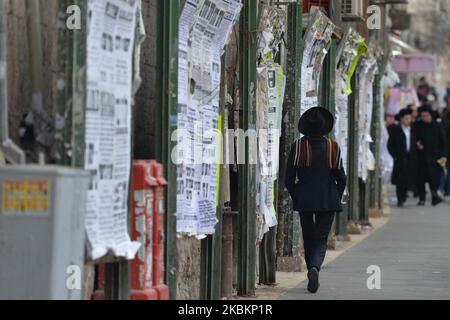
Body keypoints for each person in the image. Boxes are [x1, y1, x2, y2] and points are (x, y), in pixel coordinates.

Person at [285, 107, 347, 294]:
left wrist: (297, 195)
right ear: (325, 127)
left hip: (304, 197)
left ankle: (311, 266)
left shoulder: (298, 146)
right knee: (321, 237)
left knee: (308, 233)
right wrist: (335, 194)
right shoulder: (332, 147)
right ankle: (315, 267)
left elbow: (289, 178)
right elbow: (341, 178)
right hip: (328, 198)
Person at [414, 105, 448, 206]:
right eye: (423, 116)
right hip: (421, 156)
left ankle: (434, 197)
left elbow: (443, 142)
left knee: (434, 178)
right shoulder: (417, 125)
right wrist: (417, 144)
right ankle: (422, 198)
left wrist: (444, 156)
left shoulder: (437, 126)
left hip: (435, 157)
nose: (425, 118)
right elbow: (414, 138)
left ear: (431, 115)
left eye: (427, 116)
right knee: (420, 179)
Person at [387, 109, 417, 207]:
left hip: (410, 158)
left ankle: (404, 196)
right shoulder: (396, 130)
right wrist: (395, 155)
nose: (408, 120)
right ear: (402, 119)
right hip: (400, 158)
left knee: (408, 179)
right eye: (406, 118)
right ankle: (400, 199)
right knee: (400, 180)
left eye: (410, 118)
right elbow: (390, 145)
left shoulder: (413, 129)